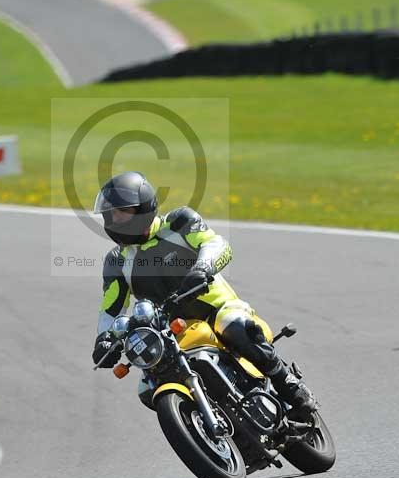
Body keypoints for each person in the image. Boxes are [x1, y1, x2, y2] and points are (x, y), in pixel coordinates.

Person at [92, 171, 316, 416]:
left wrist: (202, 268)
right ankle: (205, 428)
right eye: (110, 214)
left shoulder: (178, 223)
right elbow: (111, 308)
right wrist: (105, 338)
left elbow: (217, 244)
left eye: (122, 213)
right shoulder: (116, 261)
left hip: (218, 308)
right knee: (148, 387)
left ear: (143, 207)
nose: (115, 219)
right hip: (174, 331)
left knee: (233, 325)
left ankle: (288, 385)